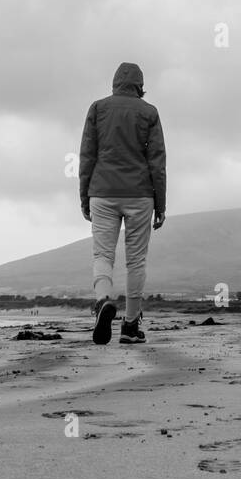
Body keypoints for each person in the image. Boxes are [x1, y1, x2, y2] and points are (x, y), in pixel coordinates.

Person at [78, 62, 166, 345]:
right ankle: (129, 326)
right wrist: (160, 204)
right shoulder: (149, 112)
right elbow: (157, 162)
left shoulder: (97, 108)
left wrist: (84, 196)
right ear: (140, 86)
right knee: (136, 260)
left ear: (114, 83)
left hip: (102, 191)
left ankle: (103, 301)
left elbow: (87, 155)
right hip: (140, 194)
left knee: (102, 256)